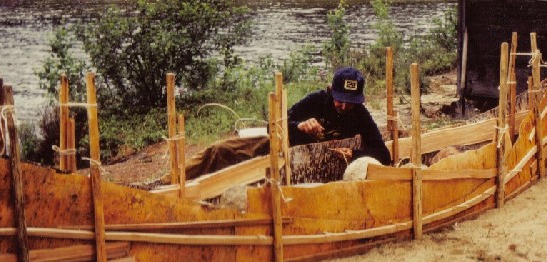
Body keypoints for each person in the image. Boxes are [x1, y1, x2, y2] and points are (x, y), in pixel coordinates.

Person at [160, 67, 390, 184]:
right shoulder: (315, 100)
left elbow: (383, 153)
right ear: (331, 91)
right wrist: (298, 126)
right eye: (340, 99)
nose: (343, 106)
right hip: (282, 150)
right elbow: (274, 127)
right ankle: (169, 181)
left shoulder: (359, 114)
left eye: (350, 103)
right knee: (221, 151)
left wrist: (355, 153)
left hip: (310, 168)